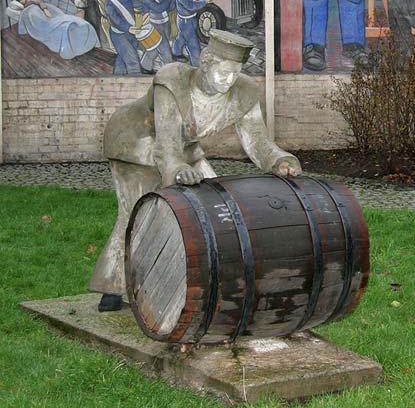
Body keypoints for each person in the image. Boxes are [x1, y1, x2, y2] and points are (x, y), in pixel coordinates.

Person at [90, 30, 302, 311]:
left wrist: (279, 160)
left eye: (235, 72)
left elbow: (257, 140)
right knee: (137, 215)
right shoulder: (173, 80)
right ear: (206, 62)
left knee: (217, 209)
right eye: (223, 72)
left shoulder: (244, 93)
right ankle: (113, 288)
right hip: (136, 143)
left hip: (183, 149)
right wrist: (178, 169)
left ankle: (201, 280)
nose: (228, 80)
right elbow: (166, 142)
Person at [7, 0, 100, 59]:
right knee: (60, 25)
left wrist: (38, 4)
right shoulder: (26, 10)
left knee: (63, 19)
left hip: (46, 14)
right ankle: (66, 26)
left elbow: (43, 5)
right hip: (38, 17)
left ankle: (69, 24)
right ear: (20, 2)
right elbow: (32, 15)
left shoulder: (31, 1)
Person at [104, 0, 145, 75]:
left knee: (123, 59)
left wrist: (147, 12)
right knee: (133, 61)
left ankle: (117, 78)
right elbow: (116, 20)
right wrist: (128, 28)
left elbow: (142, 6)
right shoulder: (110, 3)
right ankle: (136, 83)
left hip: (131, 34)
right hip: (119, 35)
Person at [172, 0, 208, 65]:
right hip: (185, 21)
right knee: (193, 44)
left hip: (192, 19)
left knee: (181, 38)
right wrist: (206, 0)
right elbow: (190, 6)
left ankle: (176, 53)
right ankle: (197, 65)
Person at [141, 0, 175, 68]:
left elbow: (171, 8)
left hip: (165, 24)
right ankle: (168, 69)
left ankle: (144, 66)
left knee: (154, 49)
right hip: (155, 26)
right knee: (165, 50)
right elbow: (159, 8)